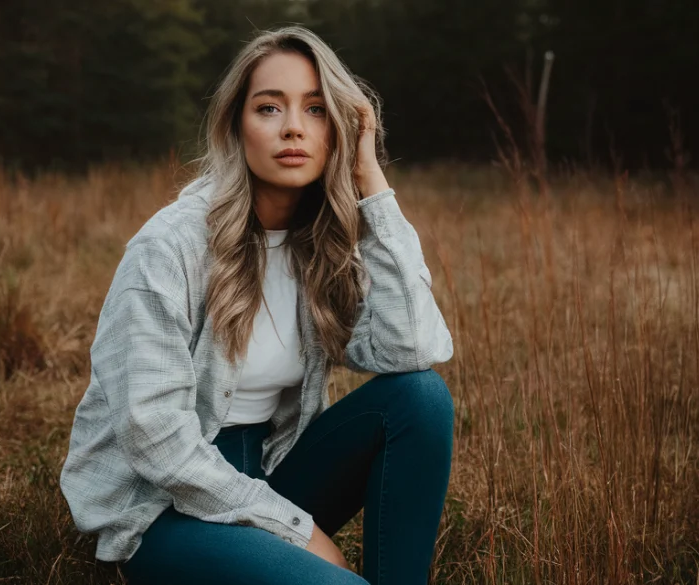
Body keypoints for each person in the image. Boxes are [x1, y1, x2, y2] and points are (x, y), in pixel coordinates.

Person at [59, 25, 455, 585]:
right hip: (163, 504)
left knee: (422, 398)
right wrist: (298, 528)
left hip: (266, 471)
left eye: (317, 110)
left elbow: (412, 349)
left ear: (339, 130)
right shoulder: (168, 248)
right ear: (236, 127)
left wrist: (371, 183)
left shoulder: (323, 244)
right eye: (269, 108)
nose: (294, 126)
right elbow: (155, 438)